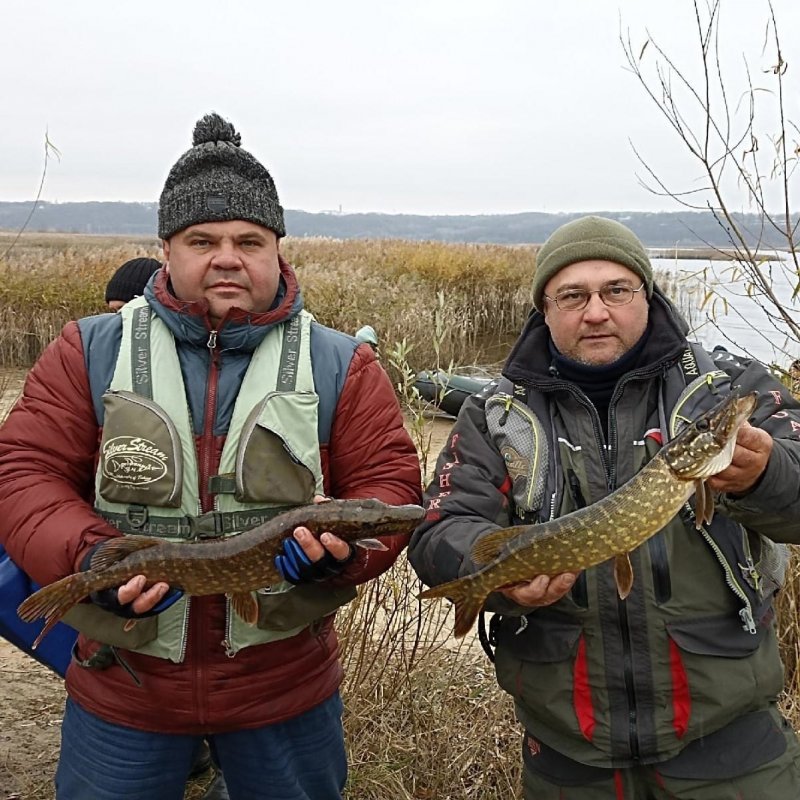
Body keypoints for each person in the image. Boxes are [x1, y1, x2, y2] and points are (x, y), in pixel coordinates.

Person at [0, 111, 421, 800]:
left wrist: (347, 556)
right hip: (124, 683)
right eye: (204, 239)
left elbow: (388, 488)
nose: (228, 256)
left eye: (248, 240)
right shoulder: (89, 348)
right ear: (167, 250)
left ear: (278, 250)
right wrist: (90, 560)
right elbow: (23, 475)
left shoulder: (341, 361)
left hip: (283, 688)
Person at [408, 215, 800, 799]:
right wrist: (488, 577)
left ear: (647, 294)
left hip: (733, 745)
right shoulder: (495, 414)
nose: (596, 311)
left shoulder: (725, 385)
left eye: (616, 290)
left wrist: (766, 474)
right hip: (569, 753)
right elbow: (440, 528)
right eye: (572, 295)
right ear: (545, 308)